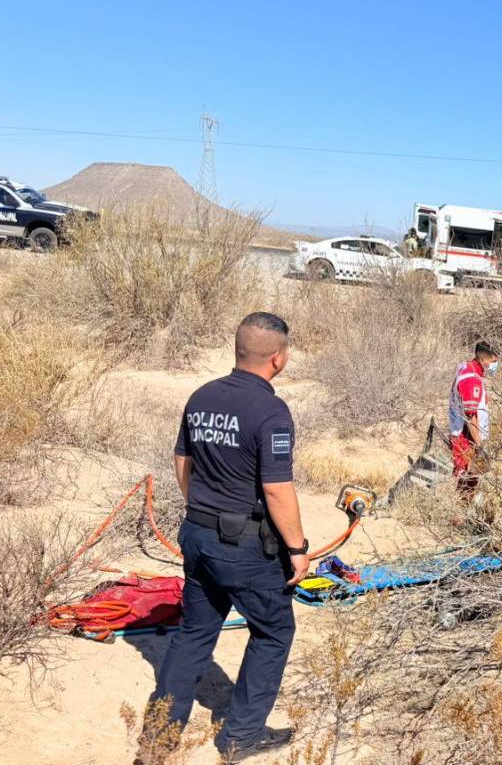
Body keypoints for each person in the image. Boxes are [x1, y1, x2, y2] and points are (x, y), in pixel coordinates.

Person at [144, 312, 308, 762]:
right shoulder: (271, 411)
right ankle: (240, 737)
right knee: (273, 631)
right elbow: (276, 489)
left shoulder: (202, 396)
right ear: (277, 357)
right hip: (244, 548)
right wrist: (297, 549)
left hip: (197, 533)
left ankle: (158, 739)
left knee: (194, 633)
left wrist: (202, 510)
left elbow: (183, 462)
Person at [449, 341, 500, 494]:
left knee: (464, 478)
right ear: (483, 360)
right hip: (466, 438)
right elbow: (471, 417)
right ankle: (459, 513)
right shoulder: (472, 380)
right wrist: (479, 446)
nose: (495, 366)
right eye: (493, 362)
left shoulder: (465, 366)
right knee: (467, 479)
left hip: (463, 433)